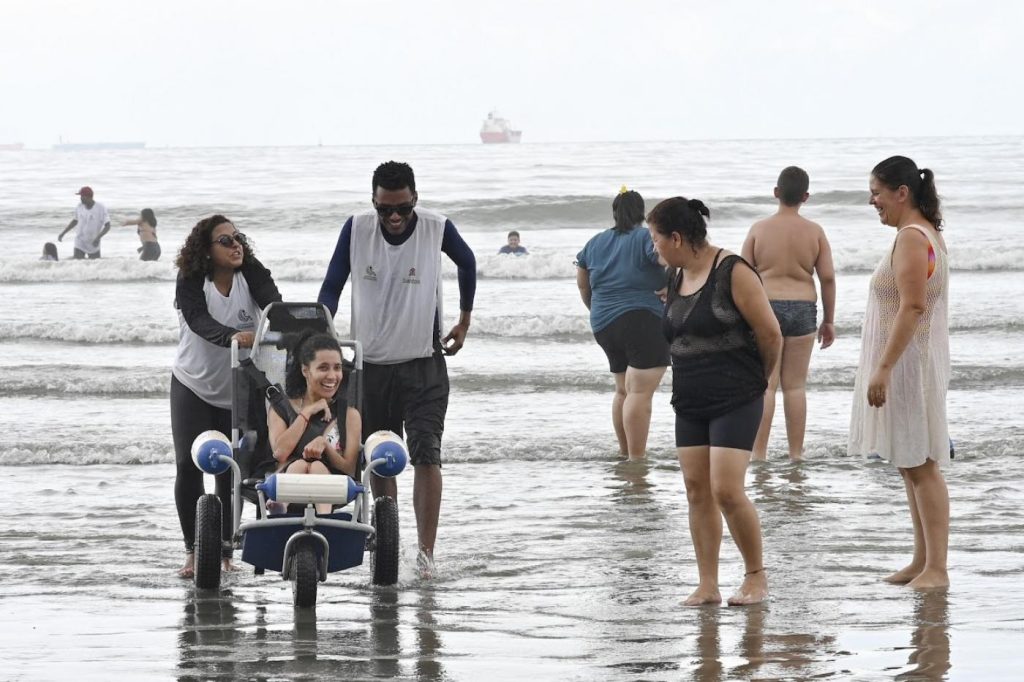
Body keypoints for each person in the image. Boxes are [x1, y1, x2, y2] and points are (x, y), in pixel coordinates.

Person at [318, 161, 477, 578]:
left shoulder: (435, 227)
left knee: (427, 455)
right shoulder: (356, 229)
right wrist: (322, 329)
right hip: (370, 367)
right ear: (373, 201)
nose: (393, 218)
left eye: (402, 209)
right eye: (385, 208)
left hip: (424, 363)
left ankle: (425, 555)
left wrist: (464, 319)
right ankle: (388, 544)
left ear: (415, 201)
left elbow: (468, 262)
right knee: (379, 460)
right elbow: (332, 284)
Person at [648, 196, 782, 606]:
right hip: (689, 399)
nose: (654, 249)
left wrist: (758, 382)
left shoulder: (733, 271)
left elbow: (771, 334)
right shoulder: (676, 275)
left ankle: (756, 577)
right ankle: (708, 584)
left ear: (676, 237)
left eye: (656, 240)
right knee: (695, 489)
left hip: (736, 396)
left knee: (726, 489)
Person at [848, 156, 950, 590]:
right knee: (911, 464)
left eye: (877, 192)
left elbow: (912, 306)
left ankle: (937, 569)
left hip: (908, 366)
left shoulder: (912, 238)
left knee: (922, 466)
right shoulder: (922, 233)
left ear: (902, 192)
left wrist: (884, 368)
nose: (873, 201)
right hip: (910, 364)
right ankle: (921, 560)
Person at [171, 215, 282, 578]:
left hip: (239, 388)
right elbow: (198, 320)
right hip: (193, 384)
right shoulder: (191, 280)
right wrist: (234, 336)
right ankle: (192, 550)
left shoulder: (251, 273)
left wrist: (278, 330)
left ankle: (222, 552)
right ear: (205, 250)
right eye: (225, 240)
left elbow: (275, 310)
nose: (236, 245)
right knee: (190, 466)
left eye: (238, 238)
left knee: (230, 470)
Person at [742, 166, 836, 461]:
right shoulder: (815, 232)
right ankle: (796, 454)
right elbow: (828, 278)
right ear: (805, 197)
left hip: (765, 307)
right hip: (803, 307)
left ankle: (759, 454)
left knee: (766, 386)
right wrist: (829, 320)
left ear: (776, 192)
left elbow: (742, 274)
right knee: (795, 387)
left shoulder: (759, 229)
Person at [575, 189, 669, 459]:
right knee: (640, 393)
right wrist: (669, 285)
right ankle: (637, 459)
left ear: (615, 213)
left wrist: (595, 309)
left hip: (603, 324)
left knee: (622, 390)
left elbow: (583, 282)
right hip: (642, 319)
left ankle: (625, 451)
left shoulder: (595, 242)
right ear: (642, 214)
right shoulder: (644, 237)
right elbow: (669, 259)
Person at [266, 333, 362, 514]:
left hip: (331, 482)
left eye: (338, 368)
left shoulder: (349, 415)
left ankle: (324, 518)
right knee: (299, 465)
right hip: (288, 478)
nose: (333, 376)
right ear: (305, 371)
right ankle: (281, 506)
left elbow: (349, 469)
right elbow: (280, 453)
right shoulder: (281, 408)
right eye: (323, 368)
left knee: (316, 466)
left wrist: (325, 444)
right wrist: (308, 412)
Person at [58, 186, 111, 259]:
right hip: (80, 242)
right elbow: (75, 220)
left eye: (82, 196)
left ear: (89, 196)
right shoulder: (79, 206)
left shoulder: (100, 208)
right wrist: (63, 233)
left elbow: (108, 226)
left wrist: (98, 237)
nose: (80, 198)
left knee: (94, 265)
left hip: (93, 242)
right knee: (77, 263)